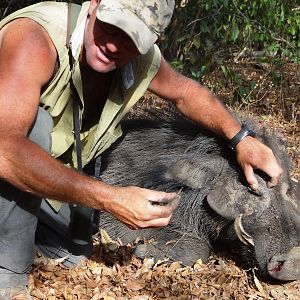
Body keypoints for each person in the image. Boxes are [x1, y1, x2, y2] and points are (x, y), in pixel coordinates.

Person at [0, 0, 283, 299]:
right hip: (8, 153)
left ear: (153, 41)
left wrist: (242, 139)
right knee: (34, 128)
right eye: (112, 26)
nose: (114, 45)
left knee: (71, 257)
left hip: (36, 170)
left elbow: (186, 93)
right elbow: (6, 151)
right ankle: (7, 276)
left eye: (133, 38)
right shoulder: (34, 38)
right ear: (93, 5)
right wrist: (110, 198)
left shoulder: (141, 59)